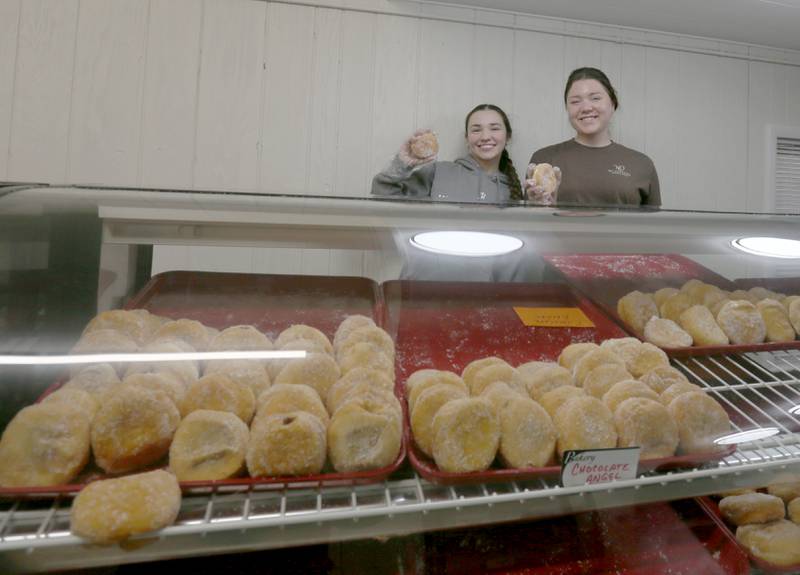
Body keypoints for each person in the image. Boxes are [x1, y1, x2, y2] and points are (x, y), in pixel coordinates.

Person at [526, 67, 660, 208]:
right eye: (575, 101)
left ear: (613, 104)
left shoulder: (641, 164)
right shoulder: (544, 159)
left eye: (595, 98)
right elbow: (531, 222)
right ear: (567, 108)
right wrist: (542, 206)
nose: (586, 107)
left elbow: (653, 227)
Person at [371, 104, 523, 203]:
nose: (485, 137)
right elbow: (383, 197)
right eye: (476, 129)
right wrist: (401, 163)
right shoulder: (438, 172)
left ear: (507, 136)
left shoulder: (514, 189)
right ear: (467, 138)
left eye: (494, 128)